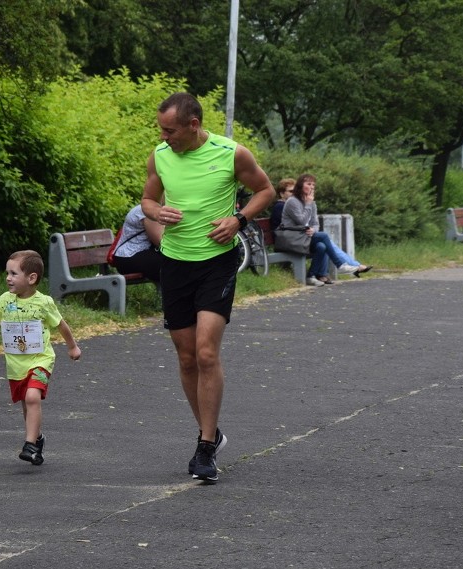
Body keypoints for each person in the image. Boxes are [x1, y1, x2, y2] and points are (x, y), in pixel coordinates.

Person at [141, 92, 276, 483]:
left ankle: (204, 448)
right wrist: (157, 211)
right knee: (185, 357)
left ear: (193, 125)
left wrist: (239, 219)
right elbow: (148, 200)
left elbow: (264, 190)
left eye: (170, 130)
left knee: (205, 352)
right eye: (161, 130)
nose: (164, 137)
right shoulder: (160, 155)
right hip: (175, 262)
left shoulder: (231, 153)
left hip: (217, 261)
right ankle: (213, 433)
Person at [0, 250, 81, 465]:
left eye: (13, 273)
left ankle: (29, 444)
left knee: (32, 397)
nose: (8, 278)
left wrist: (72, 347)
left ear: (31, 278)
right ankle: (37, 439)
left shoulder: (44, 302)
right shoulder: (5, 300)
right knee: (26, 404)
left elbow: (61, 325)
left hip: (41, 359)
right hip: (16, 363)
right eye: (7, 273)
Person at [281, 174, 371, 287]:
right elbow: (301, 221)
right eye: (308, 184)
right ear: (300, 186)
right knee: (323, 236)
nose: (312, 187)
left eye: (313, 185)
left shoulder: (311, 203)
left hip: (305, 237)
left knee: (321, 246)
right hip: (293, 238)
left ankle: (311, 276)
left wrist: (314, 230)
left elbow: (315, 223)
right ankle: (340, 265)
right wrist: (308, 204)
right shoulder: (292, 201)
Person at [110, 204, 163, 281]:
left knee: (173, 262)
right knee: (170, 263)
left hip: (140, 254)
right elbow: (160, 242)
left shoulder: (160, 210)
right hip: (128, 257)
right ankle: (173, 292)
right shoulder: (149, 211)